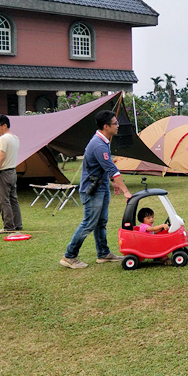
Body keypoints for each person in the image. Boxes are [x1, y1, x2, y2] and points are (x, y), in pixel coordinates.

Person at [60, 110, 132, 269]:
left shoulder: (104, 141)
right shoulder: (98, 145)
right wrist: (126, 191)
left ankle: (103, 254)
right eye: (115, 123)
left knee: (101, 222)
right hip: (92, 190)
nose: (118, 126)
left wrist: (112, 182)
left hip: (101, 186)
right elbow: (113, 169)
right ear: (106, 126)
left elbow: (105, 167)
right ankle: (69, 256)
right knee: (89, 223)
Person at [0, 115, 22, 232]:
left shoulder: (3, 139)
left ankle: (8, 226)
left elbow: (1, 156)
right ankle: (17, 224)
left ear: (4, 125)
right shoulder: (14, 138)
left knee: (3, 201)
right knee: (13, 199)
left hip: (3, 173)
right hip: (12, 172)